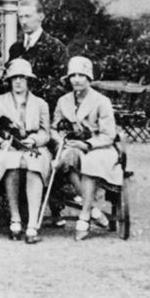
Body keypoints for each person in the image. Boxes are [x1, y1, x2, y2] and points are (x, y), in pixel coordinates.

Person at [51, 56, 122, 241]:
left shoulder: (101, 101)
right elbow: (54, 127)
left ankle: (84, 216)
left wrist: (88, 144)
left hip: (100, 147)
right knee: (66, 158)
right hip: (73, 145)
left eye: (81, 75)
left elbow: (108, 135)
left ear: (89, 78)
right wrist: (62, 141)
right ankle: (94, 210)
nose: (76, 79)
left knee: (90, 161)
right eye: (73, 75)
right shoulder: (63, 101)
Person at [0, 58, 52, 244]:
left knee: (34, 164)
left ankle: (33, 222)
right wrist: (0, 143)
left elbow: (46, 132)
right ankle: (15, 218)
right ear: (9, 81)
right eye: (14, 78)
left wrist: (34, 139)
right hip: (8, 147)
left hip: (34, 147)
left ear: (29, 80)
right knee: (10, 162)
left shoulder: (41, 104)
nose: (18, 82)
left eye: (22, 77)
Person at [7, 0, 69, 105]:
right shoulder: (15, 48)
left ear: (41, 17)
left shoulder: (56, 47)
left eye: (28, 16)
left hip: (45, 109)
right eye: (20, 17)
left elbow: (62, 85)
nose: (24, 22)